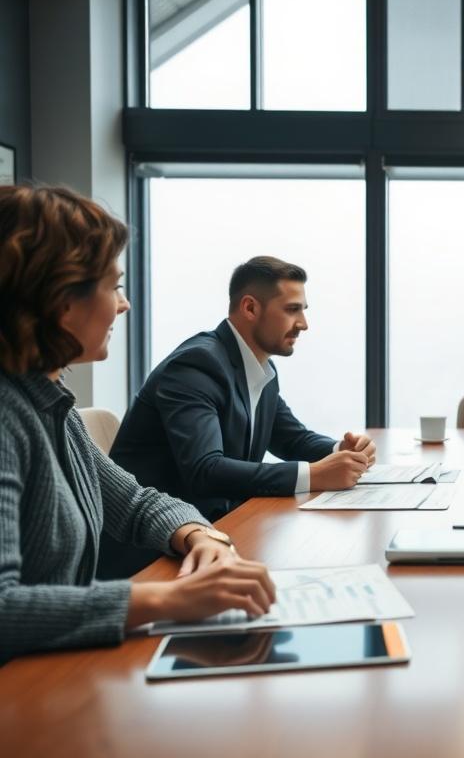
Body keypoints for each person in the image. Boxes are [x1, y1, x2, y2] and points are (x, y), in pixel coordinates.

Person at [0, 185, 276, 661]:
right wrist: (171, 599)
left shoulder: (48, 405)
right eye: (114, 286)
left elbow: (135, 502)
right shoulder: (9, 416)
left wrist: (201, 537)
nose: (124, 305)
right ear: (60, 301)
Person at [104, 256, 376, 577]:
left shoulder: (261, 367)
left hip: (215, 534)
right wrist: (314, 476)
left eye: (303, 310)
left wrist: (340, 451)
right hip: (155, 553)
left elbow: (290, 437)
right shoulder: (196, 365)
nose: (304, 323)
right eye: (292, 310)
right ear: (250, 308)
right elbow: (205, 470)